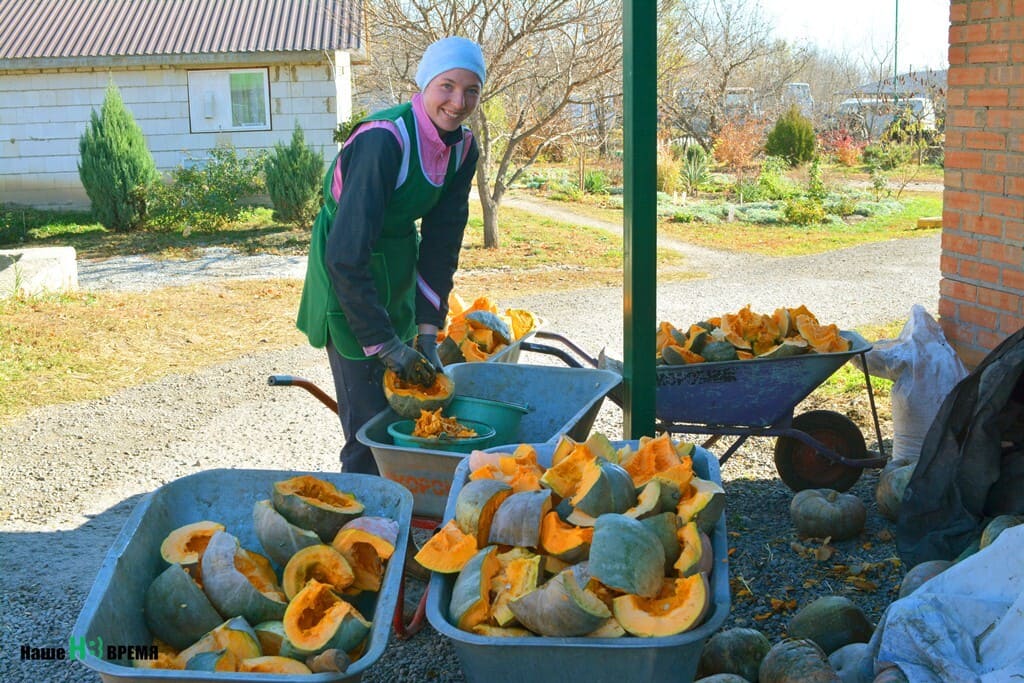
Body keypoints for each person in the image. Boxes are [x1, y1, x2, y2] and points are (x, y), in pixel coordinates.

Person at [296, 36, 486, 475]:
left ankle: (405, 508)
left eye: (471, 90)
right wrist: (384, 345)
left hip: (398, 265)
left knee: (404, 419)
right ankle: (366, 524)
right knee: (367, 427)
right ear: (424, 85)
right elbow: (345, 256)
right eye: (447, 86)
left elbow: (442, 245)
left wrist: (426, 333)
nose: (458, 102)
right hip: (344, 269)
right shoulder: (384, 140)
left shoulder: (462, 149)